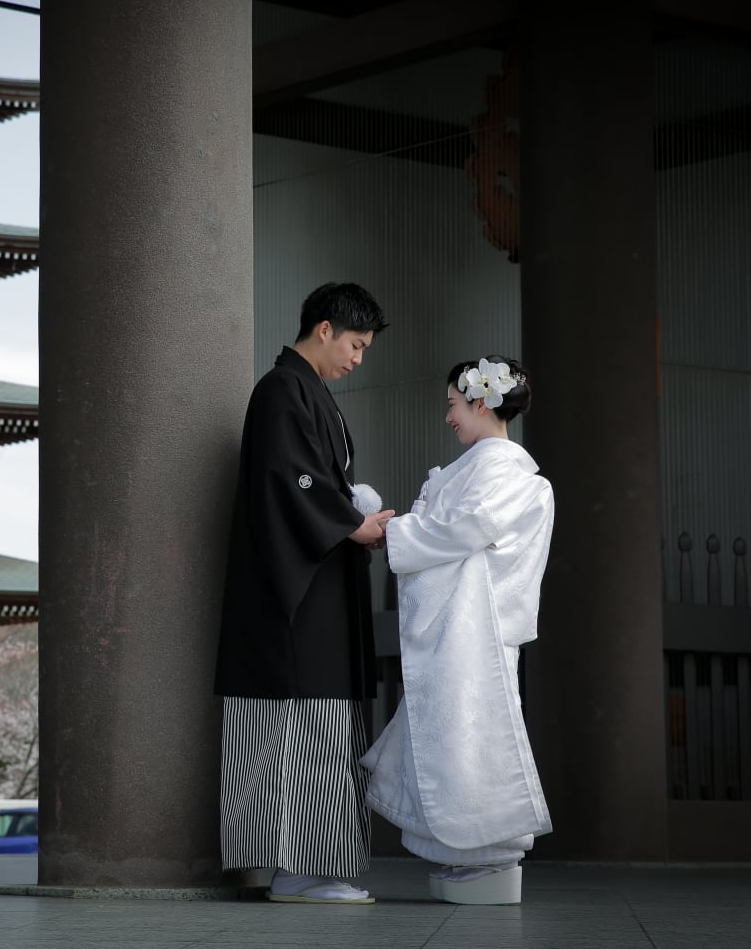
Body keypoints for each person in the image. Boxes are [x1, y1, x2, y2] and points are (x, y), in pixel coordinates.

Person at [214, 282, 393, 905]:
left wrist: (353, 519)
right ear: (324, 328)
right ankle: (299, 868)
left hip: (318, 584)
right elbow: (289, 479)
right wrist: (351, 522)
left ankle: (315, 865)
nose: (357, 359)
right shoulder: (280, 391)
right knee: (297, 720)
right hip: (294, 596)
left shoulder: (303, 391)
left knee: (323, 720)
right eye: (355, 344)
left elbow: (312, 480)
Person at [360, 355, 554, 905]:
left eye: (451, 404)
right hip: (469, 626)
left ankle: (490, 853)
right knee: (456, 730)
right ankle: (469, 854)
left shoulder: (501, 469)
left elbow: (466, 529)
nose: (447, 417)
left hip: (478, 629)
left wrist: (396, 532)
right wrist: (402, 531)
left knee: (474, 733)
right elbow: (450, 530)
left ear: (480, 400)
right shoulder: (483, 466)